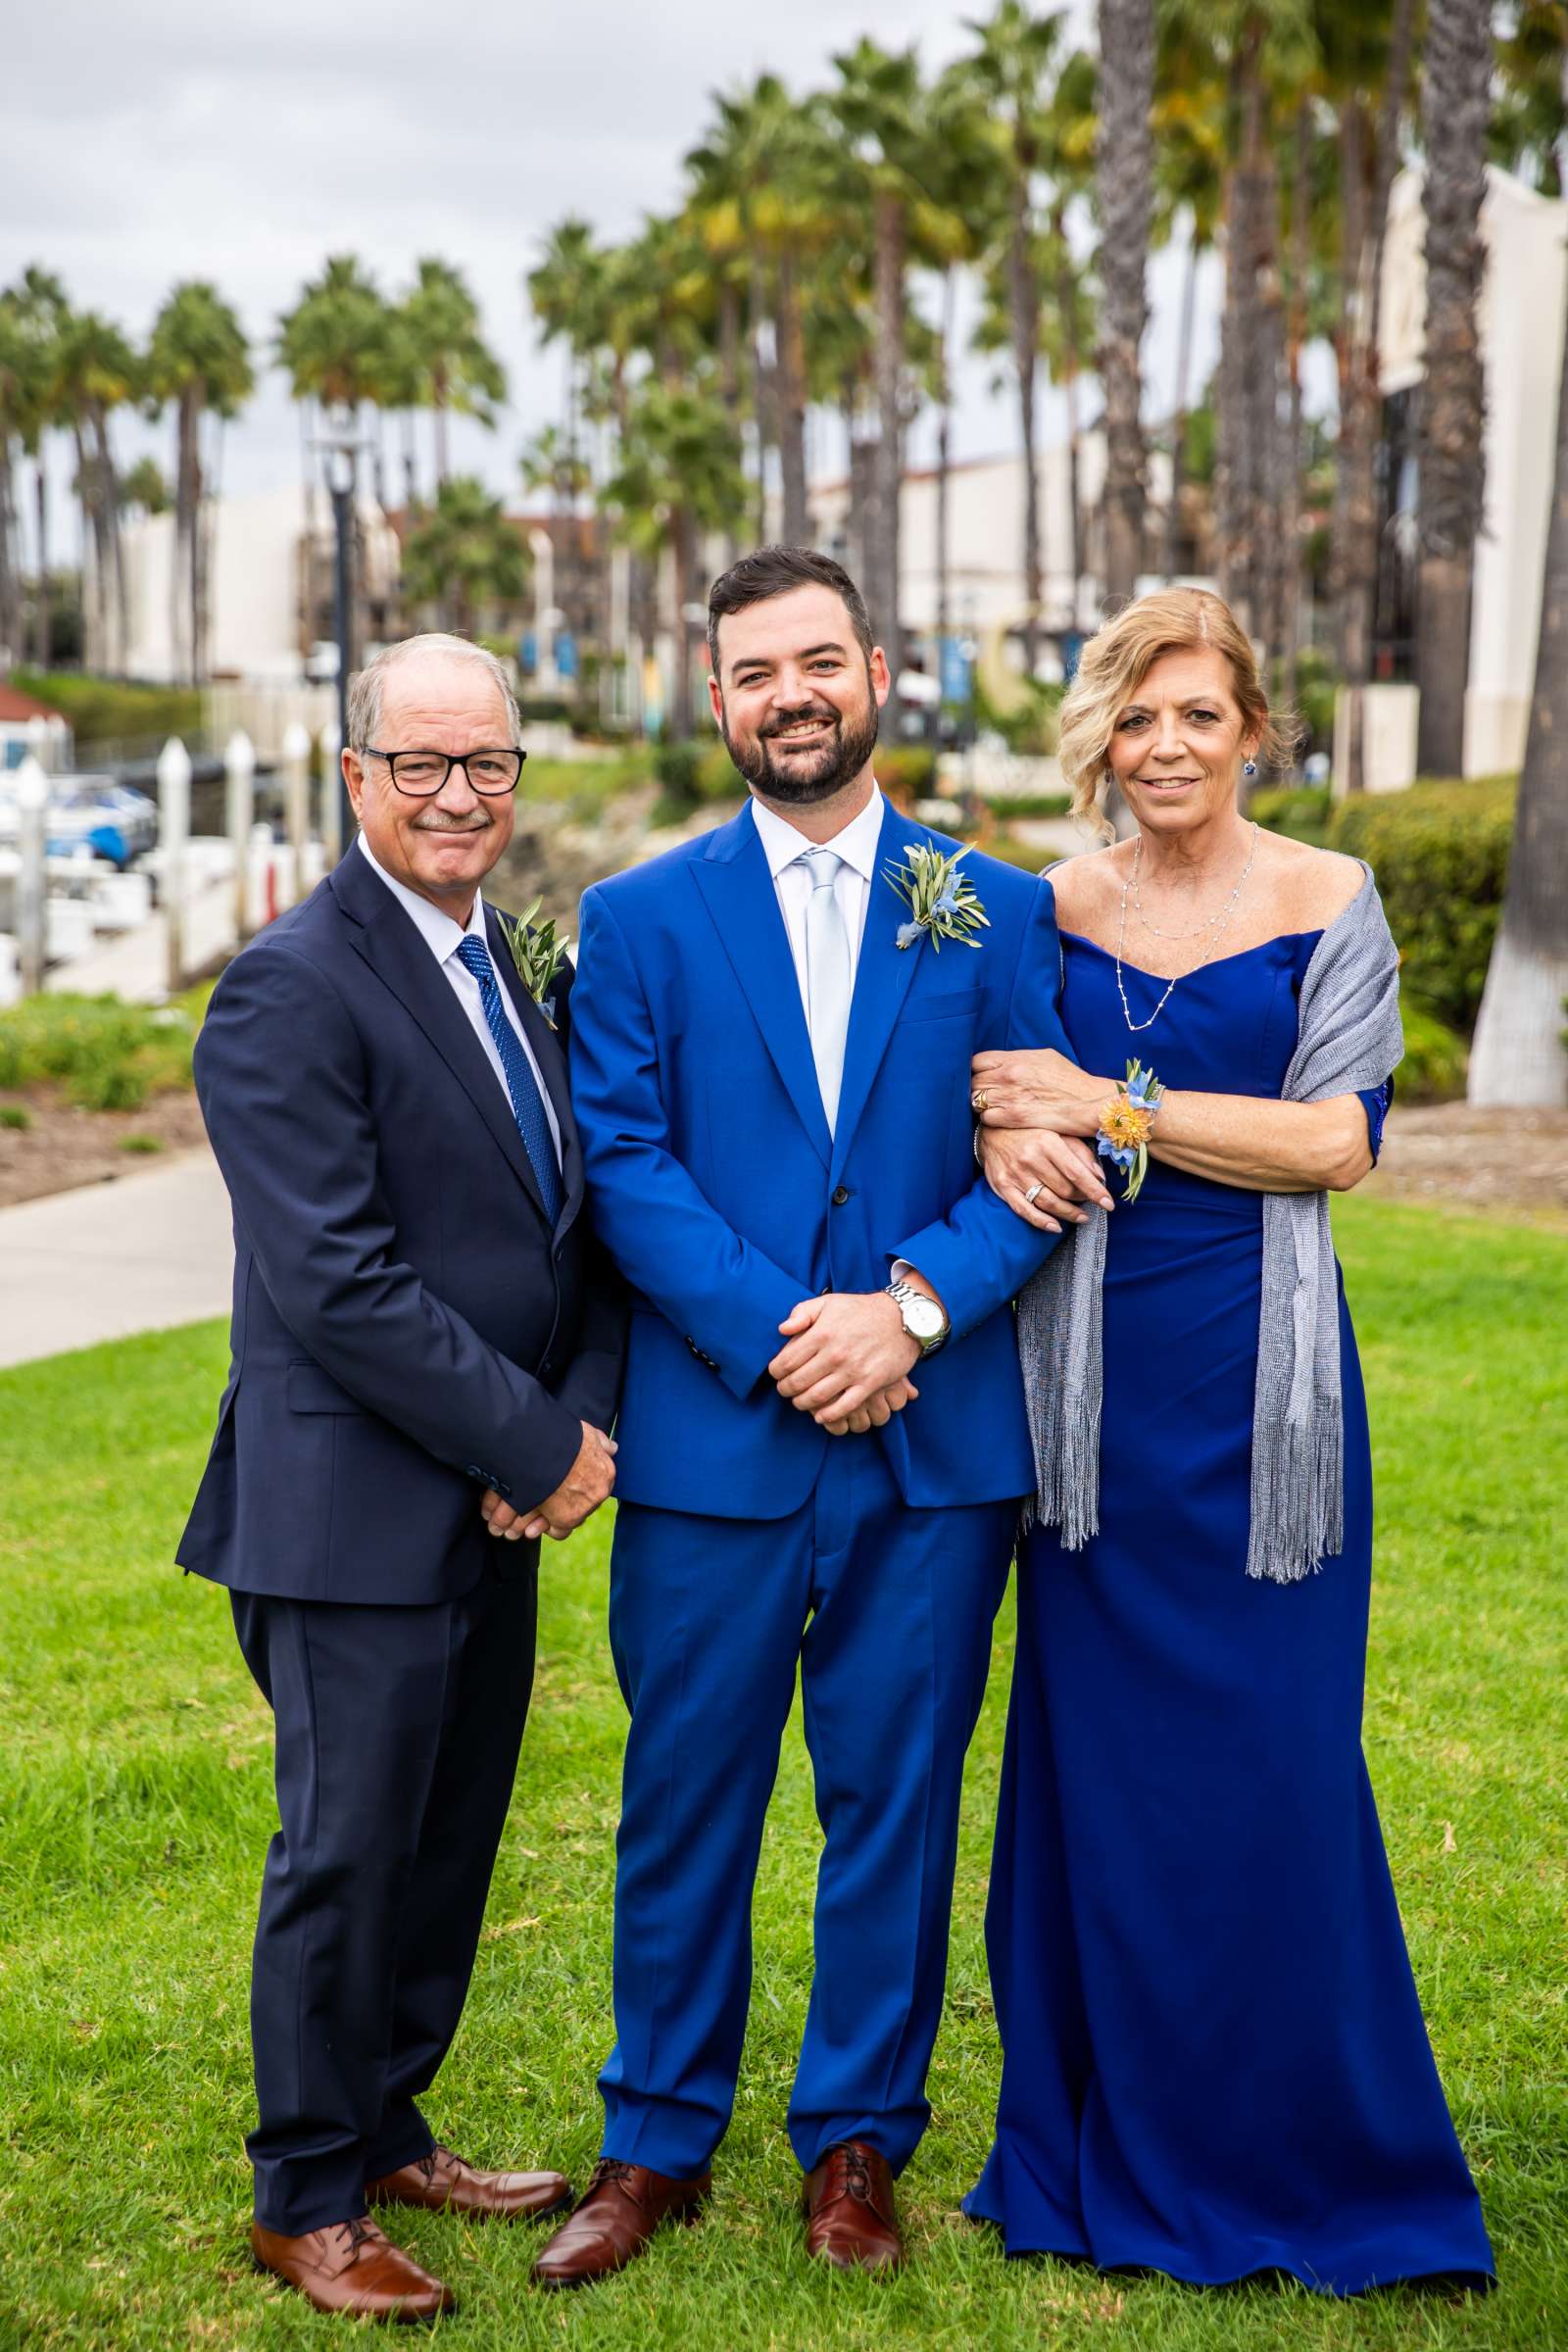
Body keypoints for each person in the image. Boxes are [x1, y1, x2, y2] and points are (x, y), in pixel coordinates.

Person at [533, 546, 1085, 2287]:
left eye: (819, 661)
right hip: (720, 1446)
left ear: (877, 672)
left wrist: (910, 1307)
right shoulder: (634, 922)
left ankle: (856, 2142)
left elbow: (1053, 1155)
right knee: (683, 1795)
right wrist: (795, 1336)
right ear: (716, 700)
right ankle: (652, 2143)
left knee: (895, 1804)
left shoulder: (997, 909)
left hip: (933, 1452)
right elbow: (622, 1162)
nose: (792, 695)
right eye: (756, 669)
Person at [962, 588, 1494, 2294]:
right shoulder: (1047, 907)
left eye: (1197, 714)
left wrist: (1113, 1109)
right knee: (1100, 1776)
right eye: (1135, 719)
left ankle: (1298, 2145)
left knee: (1273, 1770)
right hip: (1093, 1407)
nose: (1167, 747)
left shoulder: (1331, 899)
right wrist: (1005, 1127)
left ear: (1253, 728)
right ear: (1099, 742)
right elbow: (989, 1088)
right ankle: (1098, 2136)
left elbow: (1335, 1145)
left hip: (1263, 1408)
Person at [178, 634, 625, 2324]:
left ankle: (388, 2128)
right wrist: (534, 1441)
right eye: (422, 764)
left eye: (488, 765)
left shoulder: (497, 963)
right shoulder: (294, 981)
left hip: (489, 1506)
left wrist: (566, 1429)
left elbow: (561, 1230)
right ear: (353, 775)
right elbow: (339, 1279)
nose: (459, 794)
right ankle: (305, 2193)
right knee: (347, 1855)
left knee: (448, 1843)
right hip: (350, 1510)